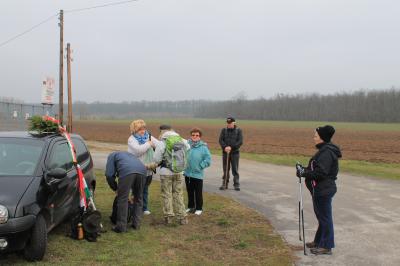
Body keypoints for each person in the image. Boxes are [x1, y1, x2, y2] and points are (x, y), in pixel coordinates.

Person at [296, 125, 342, 255]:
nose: (314, 138)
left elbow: (321, 173)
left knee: (325, 218)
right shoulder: (324, 150)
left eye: (315, 136)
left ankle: (327, 246)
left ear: (322, 138)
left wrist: (304, 173)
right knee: (322, 217)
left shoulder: (327, 152)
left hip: (323, 189)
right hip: (321, 189)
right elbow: (316, 169)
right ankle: (318, 241)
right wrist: (303, 170)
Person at [150, 124, 190, 225]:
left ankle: (169, 217)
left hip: (166, 172)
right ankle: (182, 217)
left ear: (162, 131)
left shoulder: (163, 142)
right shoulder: (181, 139)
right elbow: (188, 148)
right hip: (179, 171)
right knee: (178, 194)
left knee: (167, 194)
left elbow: (156, 159)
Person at [105, 151, 147, 233]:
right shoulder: (128, 155)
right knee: (138, 198)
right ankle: (136, 224)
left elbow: (109, 175)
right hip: (143, 171)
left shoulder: (111, 156)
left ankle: (121, 227)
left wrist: (115, 188)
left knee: (122, 199)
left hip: (127, 171)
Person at [128, 119, 159, 215]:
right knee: (137, 189)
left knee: (145, 189)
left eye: (144, 128)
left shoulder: (148, 136)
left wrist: (155, 145)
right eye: (140, 129)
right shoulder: (131, 139)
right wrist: (149, 144)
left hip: (149, 168)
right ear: (134, 130)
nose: (143, 131)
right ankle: (135, 207)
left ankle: (144, 208)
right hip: (136, 169)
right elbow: (138, 150)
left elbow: (159, 146)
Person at [184, 128, 211, 215]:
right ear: (190, 136)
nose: (195, 136)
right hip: (187, 173)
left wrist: (200, 166)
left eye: (197, 135)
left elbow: (208, 160)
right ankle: (190, 206)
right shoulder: (186, 145)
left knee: (198, 192)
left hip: (198, 174)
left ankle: (199, 208)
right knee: (190, 191)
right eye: (193, 135)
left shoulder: (203, 147)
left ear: (200, 137)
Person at [218, 116, 243, 191]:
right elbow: (220, 140)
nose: (229, 124)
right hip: (225, 153)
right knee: (225, 169)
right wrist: (225, 147)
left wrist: (231, 147)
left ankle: (236, 184)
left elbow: (240, 141)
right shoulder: (224, 130)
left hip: (235, 153)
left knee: (235, 169)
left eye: (230, 123)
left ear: (234, 123)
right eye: (228, 123)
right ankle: (224, 183)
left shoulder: (239, 131)